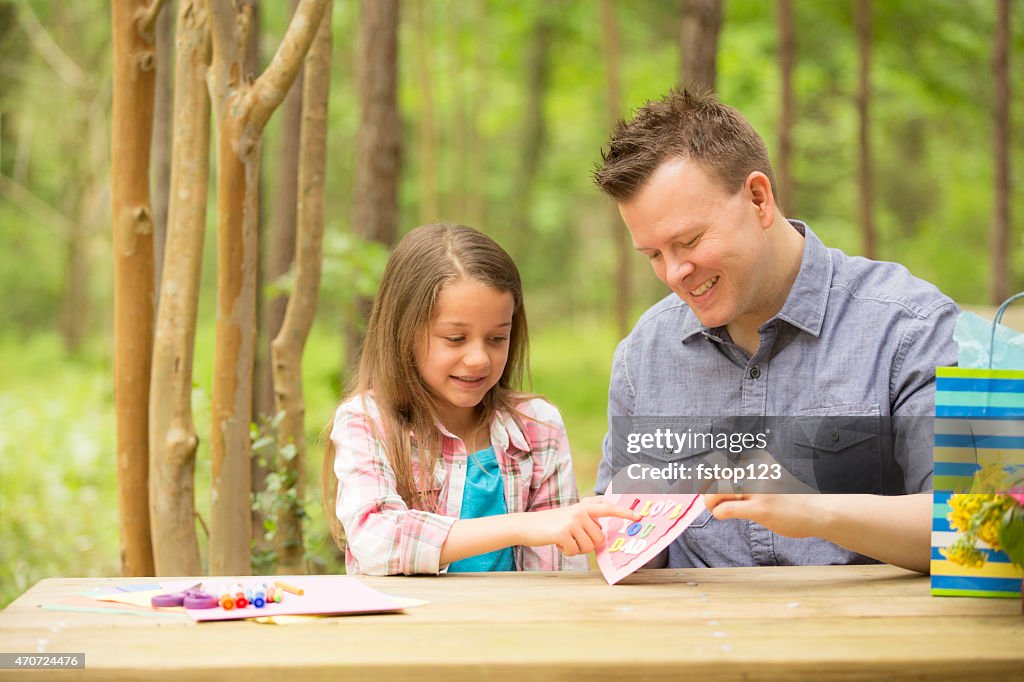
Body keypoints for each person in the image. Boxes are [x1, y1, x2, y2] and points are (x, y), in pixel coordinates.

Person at [592, 87, 958, 573]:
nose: (673, 273)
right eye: (654, 254)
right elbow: (618, 554)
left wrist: (815, 511)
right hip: (691, 641)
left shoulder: (909, 329)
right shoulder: (645, 353)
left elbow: (973, 528)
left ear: (759, 199)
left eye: (688, 240)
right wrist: (625, 531)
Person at [323, 223, 640, 575]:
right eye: (456, 338)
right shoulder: (367, 421)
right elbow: (377, 542)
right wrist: (523, 525)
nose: (479, 359)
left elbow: (559, 572)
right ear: (404, 333)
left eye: (496, 338)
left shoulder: (538, 426)